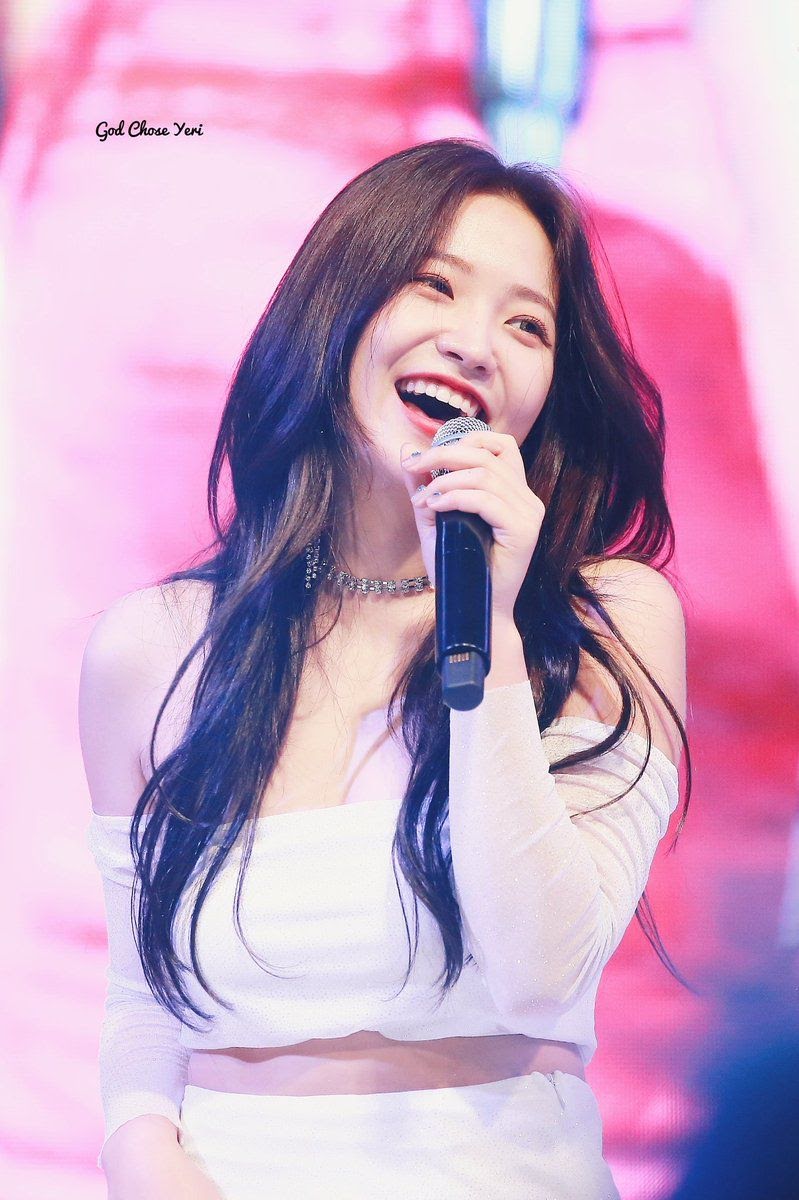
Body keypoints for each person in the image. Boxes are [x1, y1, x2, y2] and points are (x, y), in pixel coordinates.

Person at [79, 138, 690, 1200]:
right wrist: (140, 1156)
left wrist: (488, 626)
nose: (475, 345)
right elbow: (147, 1000)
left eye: (527, 325)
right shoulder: (156, 648)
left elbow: (540, 972)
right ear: (339, 306)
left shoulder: (603, 624)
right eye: (434, 285)